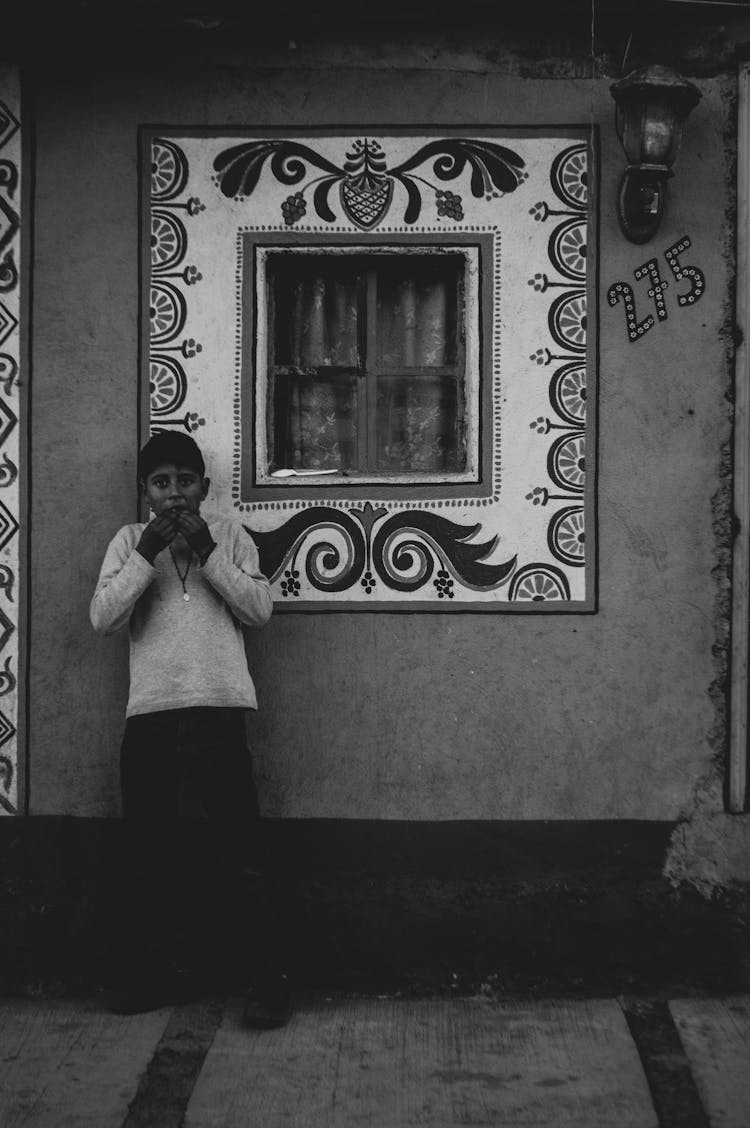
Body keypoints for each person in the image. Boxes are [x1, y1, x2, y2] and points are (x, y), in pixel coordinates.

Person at [90, 430, 291, 1026]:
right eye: (161, 483)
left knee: (240, 851)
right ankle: (149, 977)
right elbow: (103, 618)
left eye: (185, 481)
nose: (174, 494)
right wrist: (146, 555)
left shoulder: (230, 537)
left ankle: (265, 984)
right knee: (147, 851)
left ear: (205, 487)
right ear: (145, 491)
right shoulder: (128, 542)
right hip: (151, 713)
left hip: (218, 708)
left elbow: (258, 611)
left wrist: (208, 553)